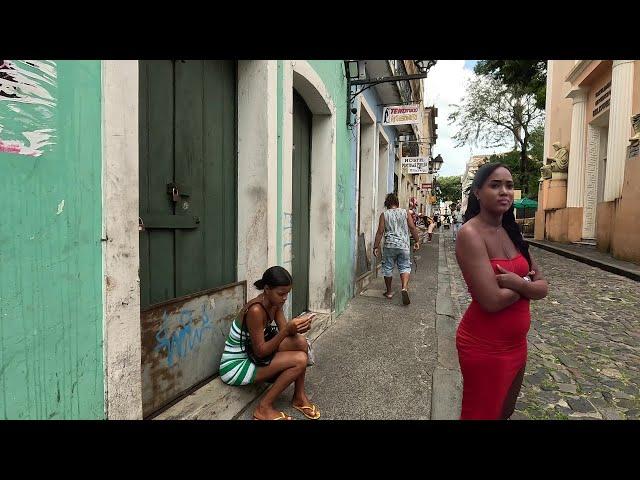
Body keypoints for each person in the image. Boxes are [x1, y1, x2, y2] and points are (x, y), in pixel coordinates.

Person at [455, 163, 549, 420]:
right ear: (477, 192)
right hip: (484, 345)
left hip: (517, 345)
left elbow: (543, 288)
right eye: (495, 185)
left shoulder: (512, 232)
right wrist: (527, 285)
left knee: (504, 412)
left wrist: (517, 283)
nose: (504, 191)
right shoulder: (470, 233)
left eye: (508, 185)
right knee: (481, 414)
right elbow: (491, 301)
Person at [219, 266, 320, 420]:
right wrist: (287, 330)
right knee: (299, 359)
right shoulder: (256, 310)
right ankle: (263, 408)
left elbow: (286, 334)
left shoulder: (275, 304)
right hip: (236, 364)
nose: (285, 298)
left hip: (253, 353)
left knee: (301, 343)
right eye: (281, 293)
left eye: (287, 293)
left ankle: (299, 396)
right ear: (266, 289)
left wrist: (299, 327)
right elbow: (261, 351)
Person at [373, 193, 420, 305]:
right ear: (397, 203)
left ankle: (389, 292)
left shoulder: (384, 215)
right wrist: (417, 241)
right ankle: (404, 288)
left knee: (388, 267)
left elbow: (380, 231)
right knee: (404, 266)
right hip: (403, 245)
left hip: (389, 245)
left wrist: (376, 246)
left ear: (387, 204)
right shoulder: (405, 212)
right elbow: (412, 227)